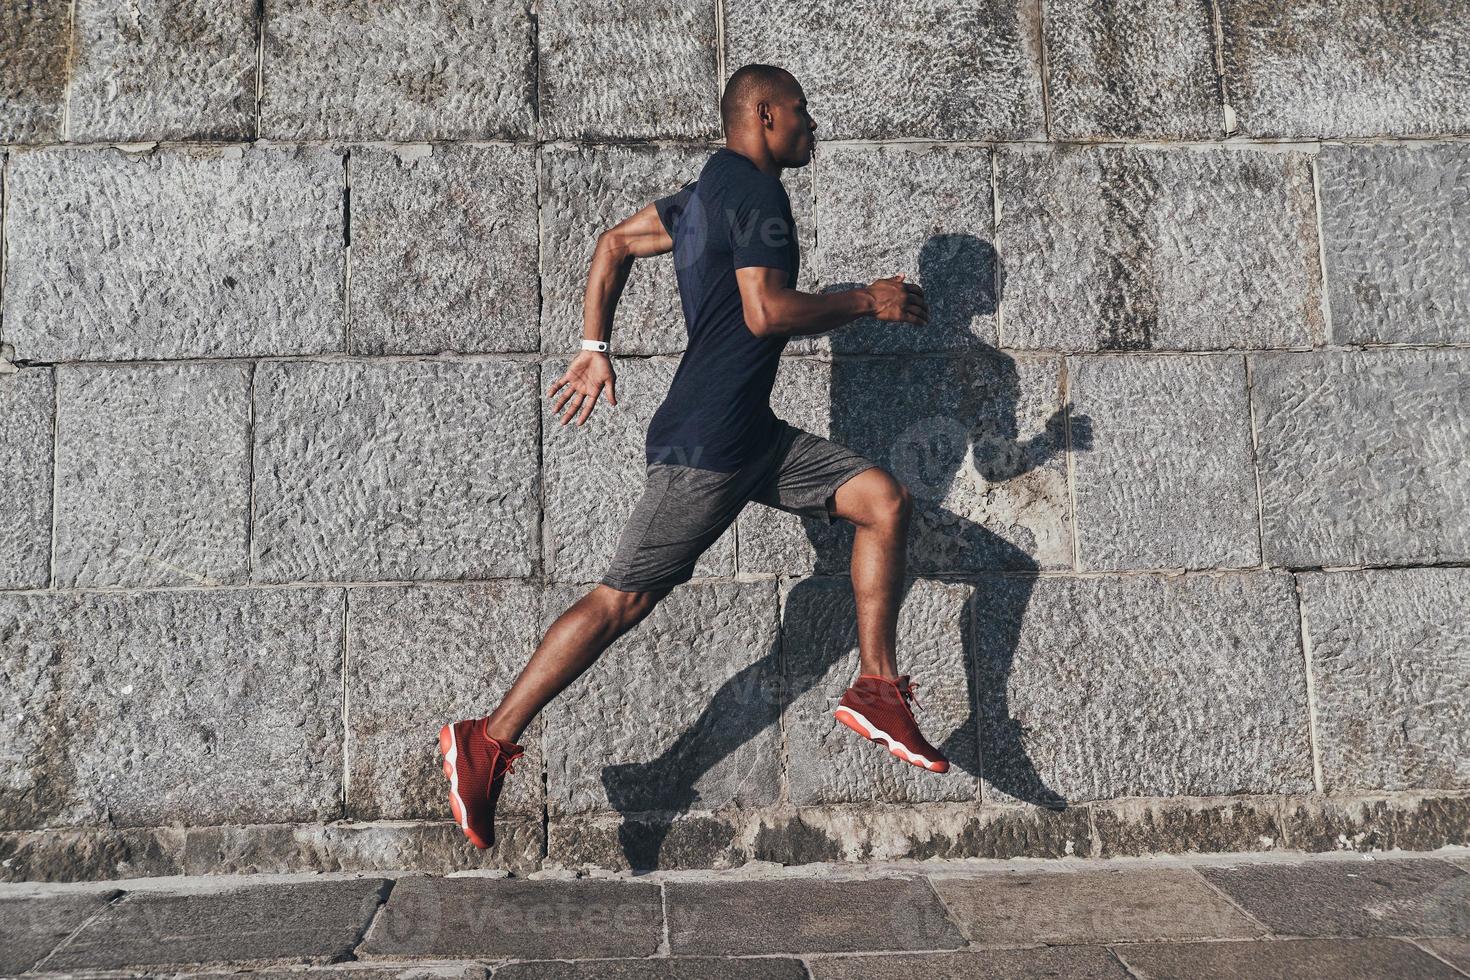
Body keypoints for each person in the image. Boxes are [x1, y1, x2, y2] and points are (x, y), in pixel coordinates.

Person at [439, 64, 945, 850]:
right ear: (765, 114)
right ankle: (487, 740)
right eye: (803, 114)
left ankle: (877, 688)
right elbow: (766, 310)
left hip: (750, 436)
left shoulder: (707, 191)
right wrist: (865, 300)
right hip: (709, 443)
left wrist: (594, 347)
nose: (814, 128)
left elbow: (614, 244)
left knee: (882, 501)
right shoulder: (757, 192)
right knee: (622, 601)